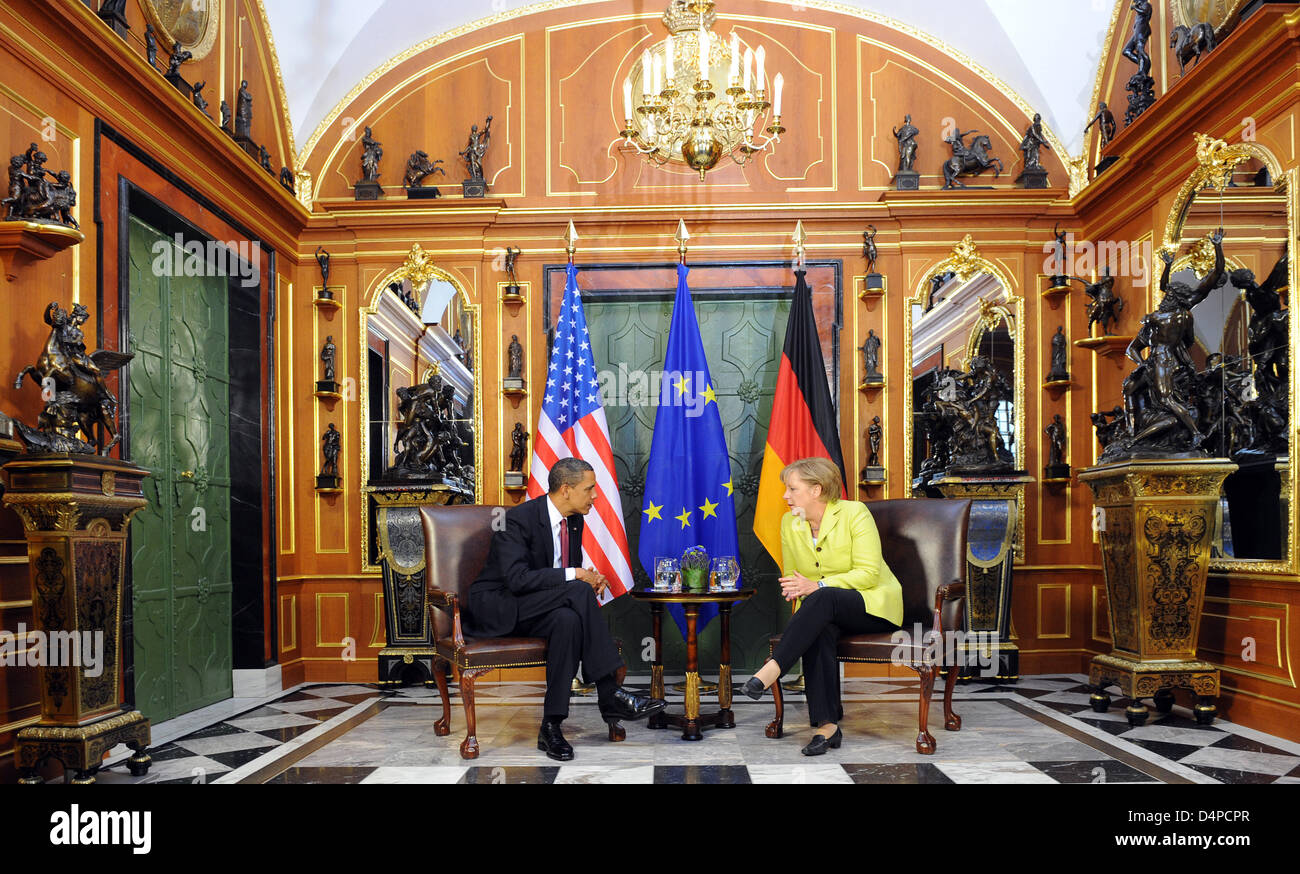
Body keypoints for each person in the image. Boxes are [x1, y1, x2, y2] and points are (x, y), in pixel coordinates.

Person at [468, 457, 665, 760]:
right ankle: (609, 692)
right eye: (589, 489)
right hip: (499, 606)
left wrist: (587, 577)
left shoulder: (574, 519)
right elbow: (518, 581)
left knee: (567, 620)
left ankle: (551, 726)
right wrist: (578, 576)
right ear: (565, 490)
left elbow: (561, 574)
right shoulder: (517, 520)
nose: (596, 496)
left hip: (540, 608)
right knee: (576, 590)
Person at [741, 457, 902, 755]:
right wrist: (798, 589)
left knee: (823, 597)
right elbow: (795, 579)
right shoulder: (789, 523)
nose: (785, 497)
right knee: (820, 626)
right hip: (825, 610)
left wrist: (818, 586)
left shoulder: (855, 513)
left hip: (872, 605)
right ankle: (827, 727)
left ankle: (774, 667)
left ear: (816, 490)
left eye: (792, 489)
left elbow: (869, 574)